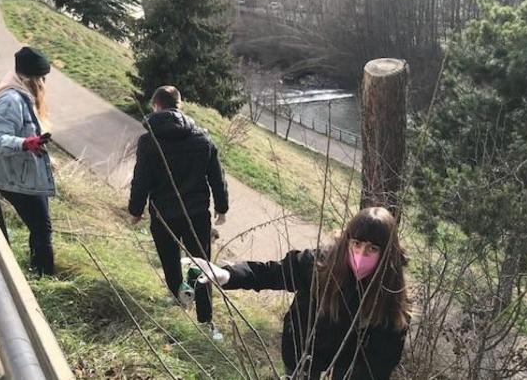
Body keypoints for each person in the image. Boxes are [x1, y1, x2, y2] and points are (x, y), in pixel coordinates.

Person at [186, 207, 409, 379]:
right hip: (300, 356)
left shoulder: (390, 298)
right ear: (347, 241)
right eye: (357, 244)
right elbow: (273, 273)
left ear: (387, 252)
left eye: (373, 249)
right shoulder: (319, 265)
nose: (361, 255)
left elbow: (380, 364)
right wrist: (230, 275)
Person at [128, 85, 229, 340]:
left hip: (164, 214)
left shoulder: (149, 141)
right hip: (196, 213)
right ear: (179, 105)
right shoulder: (202, 138)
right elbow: (217, 177)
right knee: (202, 264)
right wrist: (222, 207)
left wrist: (136, 210)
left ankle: (180, 299)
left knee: (170, 259)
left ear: (155, 106)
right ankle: (207, 321)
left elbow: (141, 179)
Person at [0, 46, 55, 276]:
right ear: (31, 79)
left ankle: (37, 268)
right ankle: (43, 275)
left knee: (40, 227)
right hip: (11, 178)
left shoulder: (23, 97)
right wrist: (25, 144)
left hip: (20, 173)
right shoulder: (10, 100)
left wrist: (40, 153)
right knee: (42, 229)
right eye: (42, 78)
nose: (44, 83)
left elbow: (25, 133)